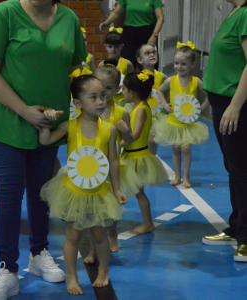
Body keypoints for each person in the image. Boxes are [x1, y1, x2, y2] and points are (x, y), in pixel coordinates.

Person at [0, 0, 88, 298]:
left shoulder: (69, 18)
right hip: (6, 121)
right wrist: (24, 110)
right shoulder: (6, 13)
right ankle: (7, 269)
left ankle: (38, 254)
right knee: (10, 194)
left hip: (48, 125)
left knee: (42, 191)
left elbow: (75, 64)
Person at [39, 72, 127, 295]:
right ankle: (72, 276)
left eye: (103, 96)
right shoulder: (70, 127)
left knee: (99, 235)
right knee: (73, 236)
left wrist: (116, 189)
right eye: (94, 97)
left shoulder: (109, 129)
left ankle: (104, 270)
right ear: (77, 103)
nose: (100, 102)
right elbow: (46, 140)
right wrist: (44, 123)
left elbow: (113, 161)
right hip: (73, 192)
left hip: (99, 192)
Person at [83, 59, 143, 263]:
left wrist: (126, 132)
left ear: (117, 88)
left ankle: (113, 236)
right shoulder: (88, 111)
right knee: (92, 212)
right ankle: (92, 249)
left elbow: (129, 140)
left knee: (109, 210)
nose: (104, 93)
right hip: (90, 168)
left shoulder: (121, 112)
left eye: (108, 88)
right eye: (100, 87)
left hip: (111, 170)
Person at [202, 0, 247, 262]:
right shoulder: (235, 12)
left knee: (242, 171)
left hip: (236, 105)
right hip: (222, 103)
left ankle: (246, 237)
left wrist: (234, 106)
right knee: (233, 168)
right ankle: (236, 226)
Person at [153, 42, 209, 188]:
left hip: (188, 123)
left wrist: (202, 107)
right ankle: (177, 176)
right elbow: (159, 90)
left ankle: (186, 177)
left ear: (192, 65)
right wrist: (164, 104)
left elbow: (209, 94)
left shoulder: (195, 81)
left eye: (183, 64)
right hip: (173, 121)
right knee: (176, 149)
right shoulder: (171, 80)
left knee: (186, 149)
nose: (179, 67)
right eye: (177, 63)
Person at [120, 70, 168, 234]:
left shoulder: (141, 109)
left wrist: (115, 143)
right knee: (137, 191)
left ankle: (148, 223)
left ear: (132, 93)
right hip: (132, 155)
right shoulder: (138, 107)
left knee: (139, 192)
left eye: (124, 89)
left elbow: (135, 135)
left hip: (137, 156)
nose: (122, 91)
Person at [99, 0, 164, 70]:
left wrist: (154, 35)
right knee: (127, 61)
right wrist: (107, 22)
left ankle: (150, 79)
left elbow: (160, 17)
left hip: (147, 33)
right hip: (130, 33)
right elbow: (116, 13)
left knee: (149, 62)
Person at [136, 43, 168, 155]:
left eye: (154, 52)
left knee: (151, 140)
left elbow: (171, 89)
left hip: (157, 115)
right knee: (142, 139)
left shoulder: (162, 76)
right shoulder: (138, 77)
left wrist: (166, 102)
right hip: (143, 113)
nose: (152, 55)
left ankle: (152, 159)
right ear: (140, 60)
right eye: (147, 53)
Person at [99, 28, 134, 106]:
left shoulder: (127, 63)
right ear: (105, 47)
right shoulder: (102, 64)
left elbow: (133, 83)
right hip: (106, 100)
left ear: (122, 46)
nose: (113, 49)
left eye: (116, 46)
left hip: (123, 100)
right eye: (110, 46)